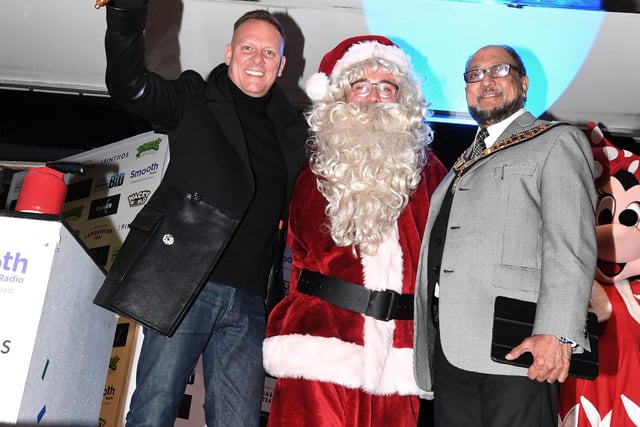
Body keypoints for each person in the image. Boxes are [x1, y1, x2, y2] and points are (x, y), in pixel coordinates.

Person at [93, 2, 308, 426]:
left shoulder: (294, 131)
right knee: (153, 410)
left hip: (250, 301)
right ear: (229, 52)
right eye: (248, 48)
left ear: (281, 65)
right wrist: (125, 11)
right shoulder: (194, 97)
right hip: (186, 285)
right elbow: (129, 85)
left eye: (268, 53)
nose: (256, 60)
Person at [262, 35, 447, 426]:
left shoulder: (433, 174)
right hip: (317, 348)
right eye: (360, 86)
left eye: (386, 87)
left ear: (404, 100)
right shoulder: (304, 161)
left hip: (398, 360)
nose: (374, 97)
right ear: (339, 98)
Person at [413, 44, 597, 427]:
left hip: (518, 347)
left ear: (523, 83)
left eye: (499, 70)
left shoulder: (555, 142)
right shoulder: (461, 164)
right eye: (475, 75)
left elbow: (570, 245)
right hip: (451, 350)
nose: (486, 81)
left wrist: (557, 334)